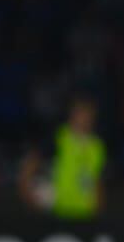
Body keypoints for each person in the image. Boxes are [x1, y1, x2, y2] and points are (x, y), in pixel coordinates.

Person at [18, 92, 106, 220]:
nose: (84, 117)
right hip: (57, 212)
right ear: (72, 114)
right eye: (80, 112)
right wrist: (26, 190)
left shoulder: (97, 147)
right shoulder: (59, 137)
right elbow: (32, 161)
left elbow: (97, 181)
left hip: (84, 214)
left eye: (88, 113)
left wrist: (98, 211)